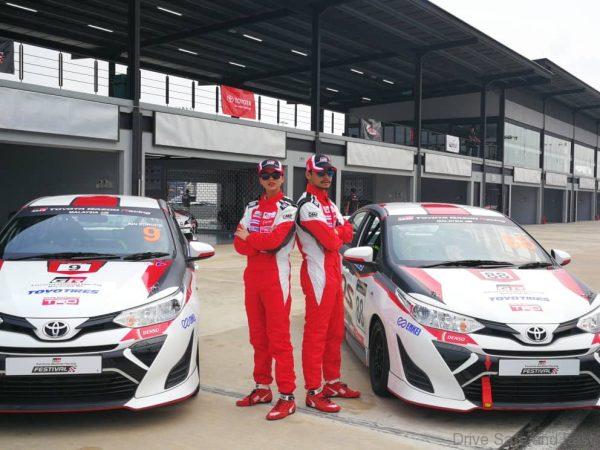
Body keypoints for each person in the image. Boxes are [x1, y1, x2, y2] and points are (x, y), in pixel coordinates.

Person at [233, 159, 298, 421]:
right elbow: (238, 244)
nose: (271, 179)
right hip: (252, 279)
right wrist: (255, 243)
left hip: (276, 280)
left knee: (279, 339)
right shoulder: (251, 207)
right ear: (260, 179)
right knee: (257, 337)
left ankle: (287, 396)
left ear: (282, 178)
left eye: (275, 175)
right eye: (266, 175)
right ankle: (262, 388)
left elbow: (275, 242)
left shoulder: (288, 207)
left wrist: (251, 239)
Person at [296, 154, 361, 413]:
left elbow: (349, 232)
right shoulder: (306, 205)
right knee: (316, 335)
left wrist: (337, 232)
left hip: (335, 272)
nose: (326, 176)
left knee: (335, 333)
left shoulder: (330, 204)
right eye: (320, 172)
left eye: (330, 172)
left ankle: (332, 383)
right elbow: (333, 240)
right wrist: (337, 232)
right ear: (308, 174)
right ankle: (313, 391)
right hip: (317, 275)